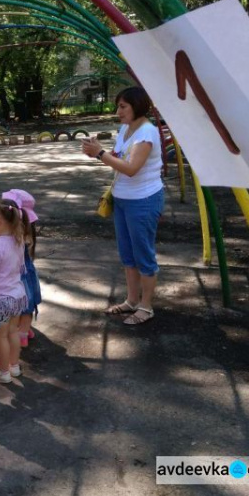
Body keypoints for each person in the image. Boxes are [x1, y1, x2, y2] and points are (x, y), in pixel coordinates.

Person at [82, 86, 164, 325]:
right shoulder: (126, 129)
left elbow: (131, 169)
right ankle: (131, 300)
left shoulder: (146, 133)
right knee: (128, 255)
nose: (118, 111)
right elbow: (118, 159)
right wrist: (97, 150)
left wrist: (100, 154)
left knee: (143, 255)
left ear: (137, 106)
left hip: (143, 200)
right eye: (118, 106)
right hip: (123, 199)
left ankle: (146, 307)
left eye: (123, 106)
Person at [0, 200, 28, 384]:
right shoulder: (19, 240)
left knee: (0, 337)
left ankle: (2, 372)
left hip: (0, 299)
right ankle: (14, 366)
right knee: (12, 332)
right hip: (17, 295)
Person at [1, 189, 41, 348]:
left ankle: (21, 335)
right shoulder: (27, 233)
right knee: (28, 306)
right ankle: (24, 331)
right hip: (27, 276)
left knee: (20, 307)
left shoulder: (8, 236)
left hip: (16, 277)